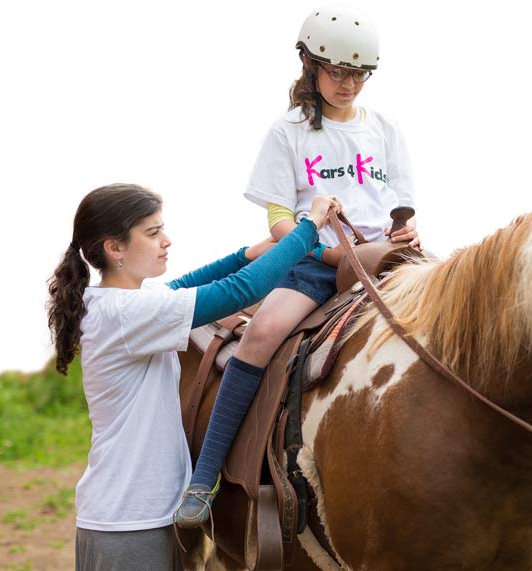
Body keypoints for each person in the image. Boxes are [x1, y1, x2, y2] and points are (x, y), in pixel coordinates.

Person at [174, 5, 419, 527]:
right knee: (262, 334)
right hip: (314, 262)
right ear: (311, 65)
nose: (349, 84)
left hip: (383, 260)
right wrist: (321, 252)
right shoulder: (288, 131)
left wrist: (407, 230)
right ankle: (205, 476)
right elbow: (279, 214)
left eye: (359, 74)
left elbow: (402, 202)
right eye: (338, 72)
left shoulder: (386, 129)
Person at [47, 184, 340, 571]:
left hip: (134, 512)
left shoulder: (116, 304)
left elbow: (184, 288)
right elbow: (241, 291)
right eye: (152, 234)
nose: (166, 241)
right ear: (113, 248)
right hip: (130, 521)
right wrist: (310, 226)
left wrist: (245, 254)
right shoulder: (126, 314)